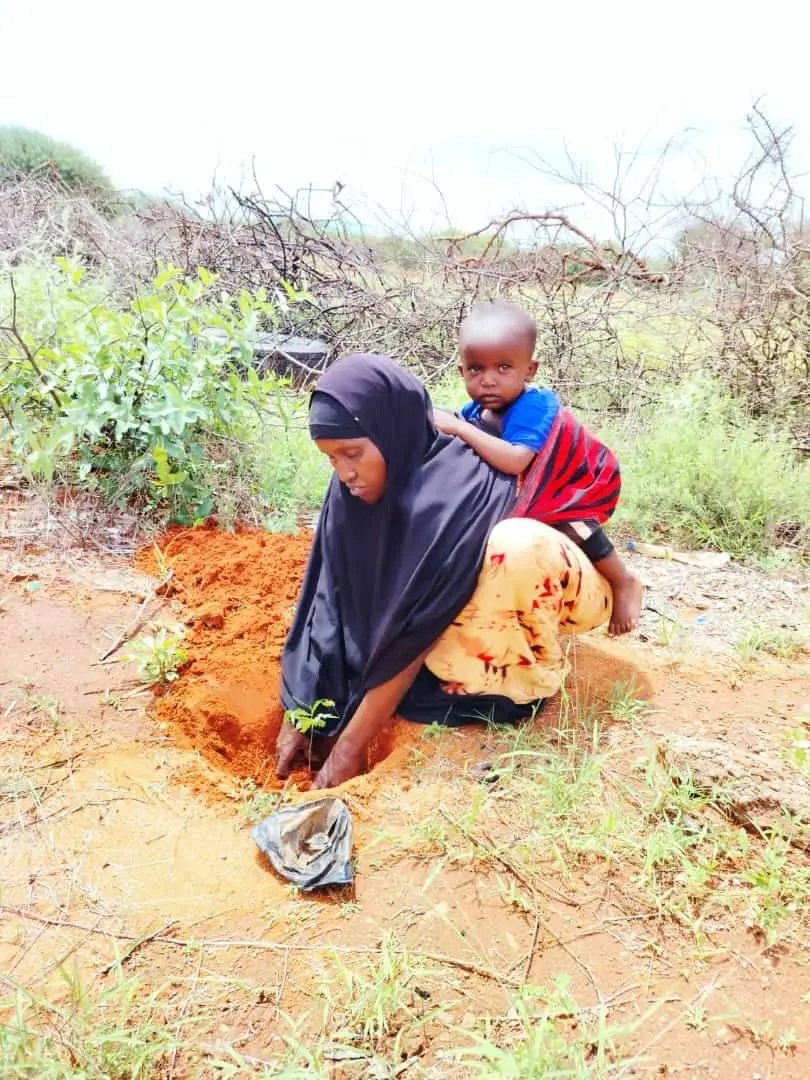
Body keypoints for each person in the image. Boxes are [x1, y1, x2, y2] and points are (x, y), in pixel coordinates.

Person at [277, 354, 615, 789]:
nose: (344, 472)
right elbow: (328, 594)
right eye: (330, 458)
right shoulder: (352, 485)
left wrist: (348, 748)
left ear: (390, 432)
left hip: (564, 582)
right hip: (461, 601)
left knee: (509, 550)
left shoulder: (450, 490)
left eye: (352, 453)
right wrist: (301, 711)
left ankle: (525, 679)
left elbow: (414, 627)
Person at [433, 300, 643, 635]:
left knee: (574, 523)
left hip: (574, 484)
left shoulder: (534, 405)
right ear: (462, 372)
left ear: (529, 370)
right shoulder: (474, 412)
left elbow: (516, 459)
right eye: (476, 369)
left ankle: (623, 580)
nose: (488, 380)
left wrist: (458, 429)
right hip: (534, 491)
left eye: (503, 368)